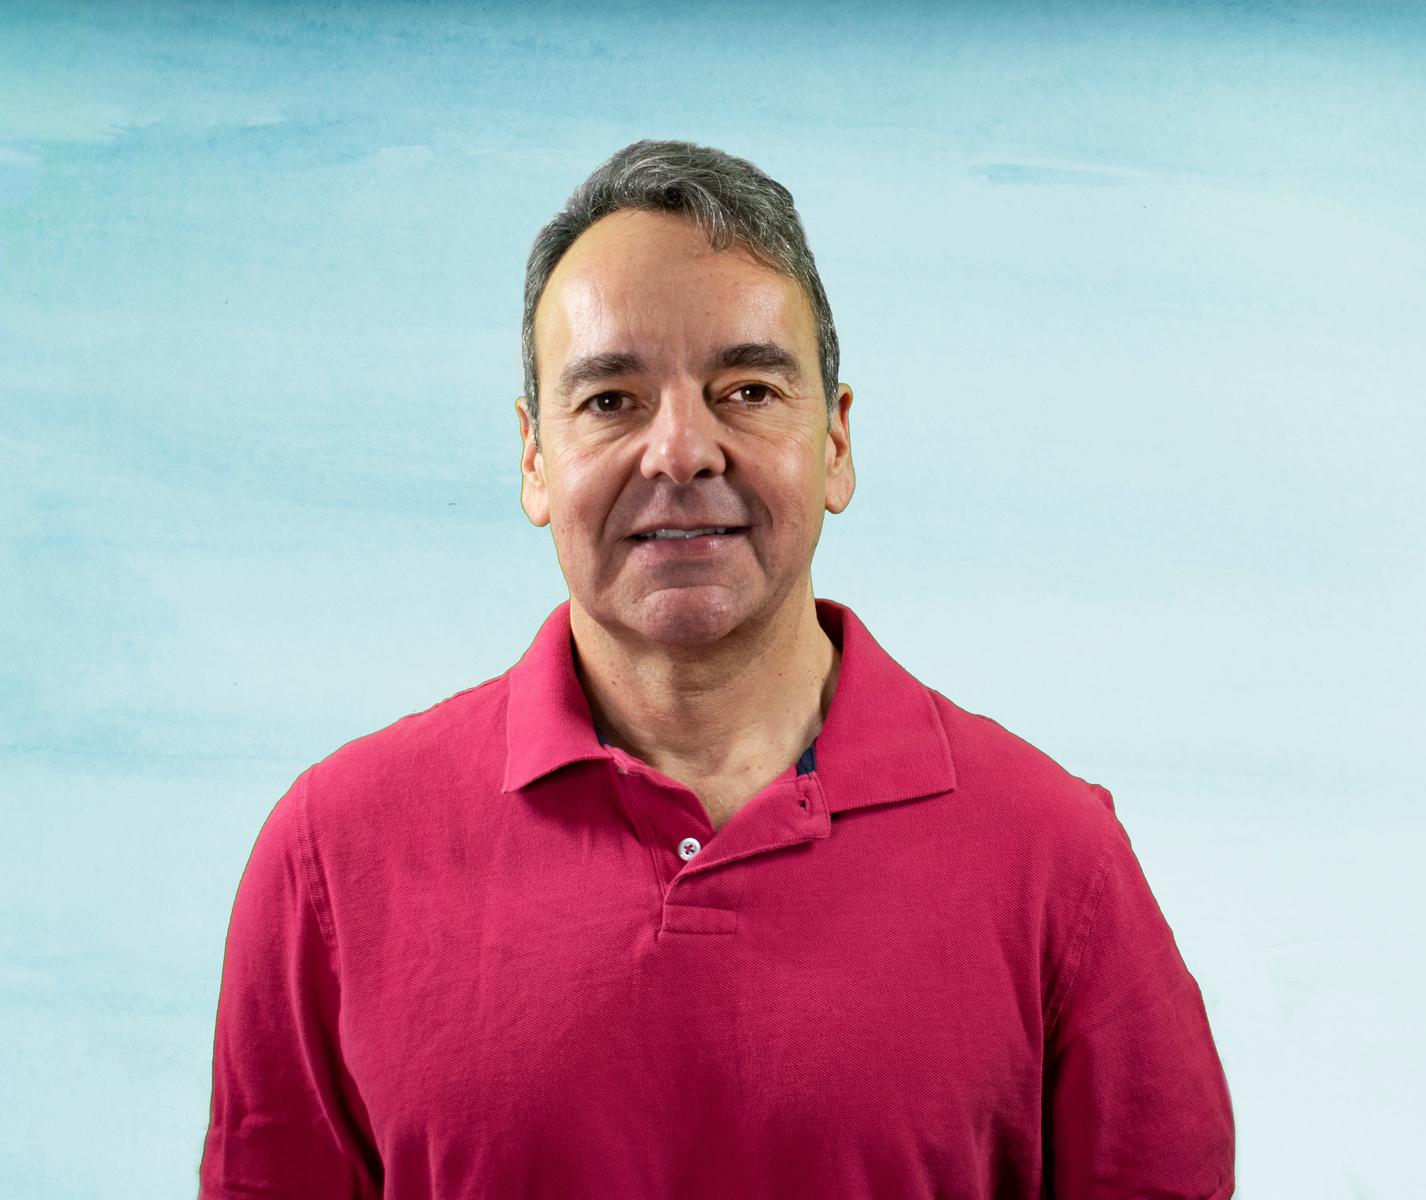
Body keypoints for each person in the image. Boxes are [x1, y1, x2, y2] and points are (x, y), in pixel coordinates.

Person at [198, 139, 1234, 1199]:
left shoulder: (1057, 858)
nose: (682, 451)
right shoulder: (332, 858)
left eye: (746, 389)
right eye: (611, 400)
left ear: (835, 444)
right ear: (534, 458)